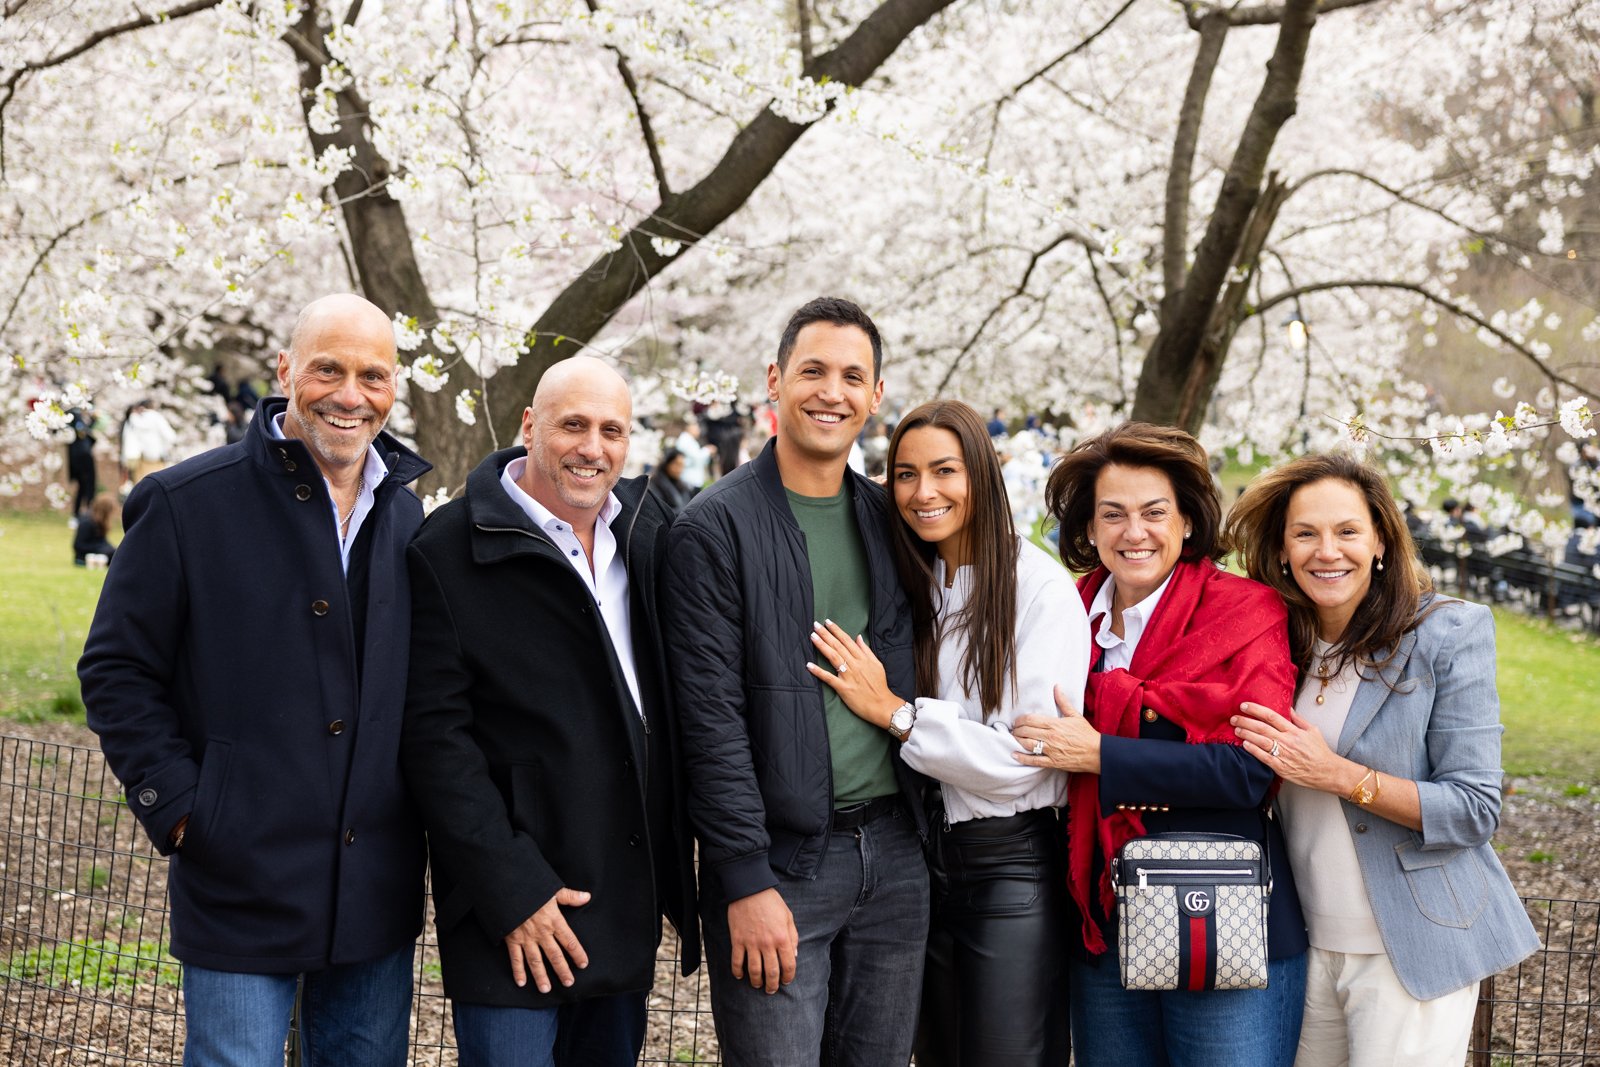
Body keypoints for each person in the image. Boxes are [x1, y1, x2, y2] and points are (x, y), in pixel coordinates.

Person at [78, 293, 432, 1066]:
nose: (350, 394)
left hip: (375, 887)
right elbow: (116, 667)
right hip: (238, 878)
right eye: (328, 368)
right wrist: (181, 810)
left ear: (394, 387)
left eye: (373, 375)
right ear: (285, 371)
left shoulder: (409, 521)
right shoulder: (183, 503)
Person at [400, 356, 699, 1066]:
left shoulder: (650, 530)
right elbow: (434, 741)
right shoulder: (446, 550)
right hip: (513, 905)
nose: (592, 448)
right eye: (573, 425)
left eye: (612, 430)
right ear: (530, 425)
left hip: (621, 890)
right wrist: (512, 887)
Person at [663, 296, 929, 1066]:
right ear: (775, 380)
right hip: (781, 868)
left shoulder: (892, 519)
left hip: (896, 853)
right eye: (813, 370)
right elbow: (708, 719)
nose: (832, 392)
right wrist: (743, 878)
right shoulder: (713, 529)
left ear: (877, 396)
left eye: (853, 376)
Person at [1224, 454, 1539, 1067]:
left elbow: (1475, 808)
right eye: (1305, 533)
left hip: (1410, 946)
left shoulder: (1447, 633)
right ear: (1282, 550)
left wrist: (1339, 776)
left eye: (1347, 531)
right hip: (1299, 944)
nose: (1327, 551)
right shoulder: (1273, 639)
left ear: (1380, 543)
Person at [1010, 421, 1308, 1067]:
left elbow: (1250, 770)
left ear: (1189, 522)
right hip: (1102, 914)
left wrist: (1103, 754)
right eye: (1111, 514)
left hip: (1221, 912)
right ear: (1088, 529)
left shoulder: (1246, 611)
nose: (1133, 532)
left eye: (1153, 512)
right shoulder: (1060, 611)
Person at [807, 399, 1089, 1066]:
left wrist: (898, 713)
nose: (923, 492)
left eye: (944, 470)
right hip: (921, 862)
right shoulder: (914, 582)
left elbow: (1026, 755)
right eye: (904, 474)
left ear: (983, 474)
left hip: (1010, 868)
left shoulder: (1039, 588)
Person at [120, 400, 178, 485]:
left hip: (141, 457)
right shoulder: (157, 418)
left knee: (141, 484)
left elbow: (129, 439)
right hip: (157, 457)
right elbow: (171, 436)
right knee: (158, 483)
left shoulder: (134, 420)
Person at [73, 492, 119, 565]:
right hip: (83, 558)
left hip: (98, 552)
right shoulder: (87, 522)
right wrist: (100, 549)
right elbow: (78, 545)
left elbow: (102, 541)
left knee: (117, 554)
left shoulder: (99, 522)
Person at [647, 447, 695, 514]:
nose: (679, 469)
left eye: (682, 466)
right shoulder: (654, 484)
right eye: (677, 464)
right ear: (667, 464)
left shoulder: (682, 485)